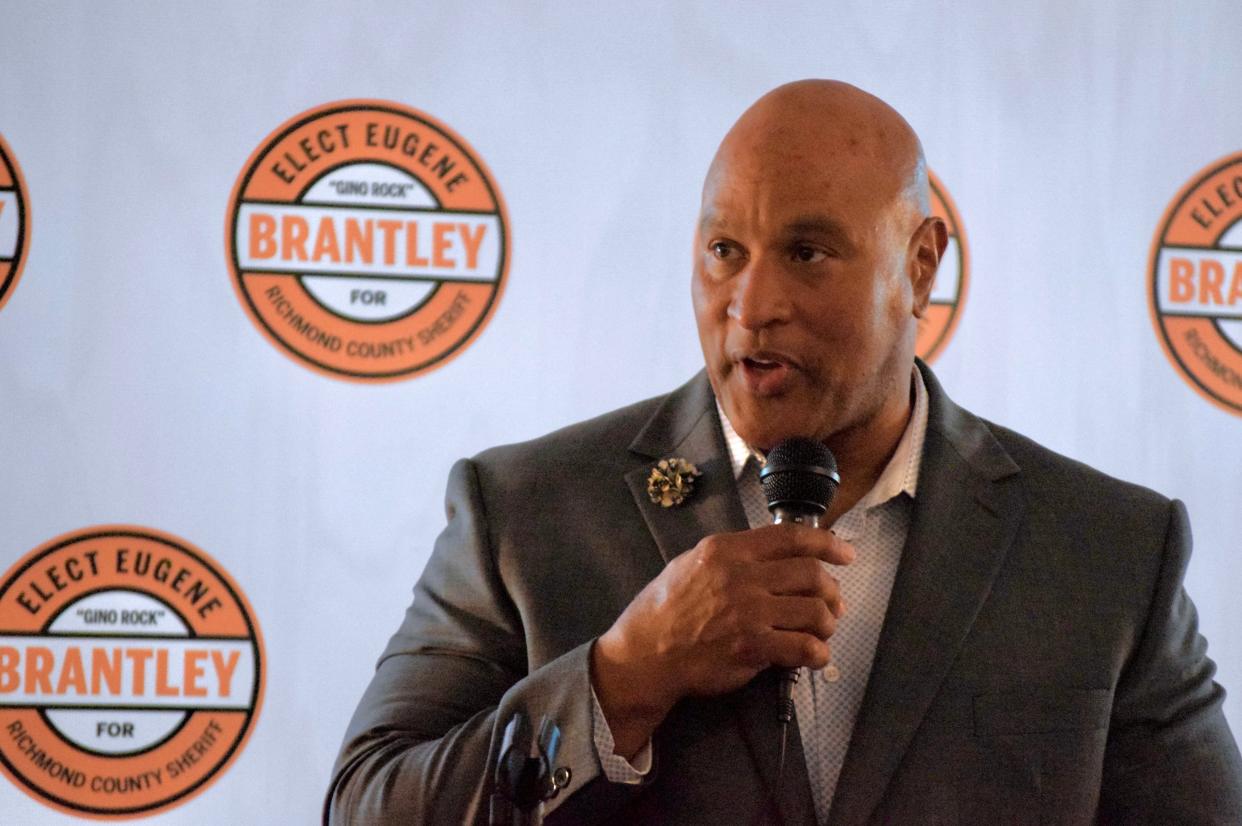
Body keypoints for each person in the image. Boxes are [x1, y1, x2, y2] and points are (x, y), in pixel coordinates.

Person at [325, 80, 1242, 824]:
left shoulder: (1109, 552)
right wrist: (623, 678)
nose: (751, 303)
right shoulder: (521, 511)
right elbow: (366, 807)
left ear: (921, 263)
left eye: (807, 252)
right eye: (725, 249)